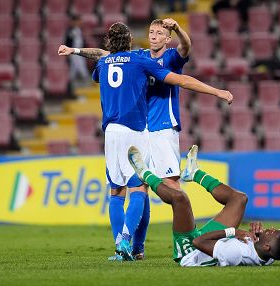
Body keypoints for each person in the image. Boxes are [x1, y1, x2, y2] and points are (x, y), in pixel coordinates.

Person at [67, 22, 233, 261]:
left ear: (167, 39)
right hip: (139, 129)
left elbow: (184, 48)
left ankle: (177, 240)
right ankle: (136, 246)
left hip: (152, 129)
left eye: (159, 34)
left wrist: (74, 51)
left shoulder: (167, 57)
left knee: (138, 190)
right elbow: (181, 81)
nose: (154, 37)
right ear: (134, 40)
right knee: (141, 189)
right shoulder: (140, 58)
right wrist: (217, 92)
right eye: (151, 33)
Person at [127, 144, 280, 266]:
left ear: (267, 246)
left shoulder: (235, 254)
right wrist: (256, 235)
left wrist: (234, 232)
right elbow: (272, 252)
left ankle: (144, 173)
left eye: (270, 232)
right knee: (240, 199)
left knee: (180, 199)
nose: (269, 228)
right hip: (216, 240)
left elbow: (198, 241)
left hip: (192, 250)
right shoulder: (268, 254)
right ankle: (194, 173)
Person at [64, 14, 90, 82]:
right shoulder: (70, 31)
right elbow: (67, 42)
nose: (79, 22)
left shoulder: (80, 30)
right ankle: (85, 79)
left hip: (80, 51)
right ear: (73, 21)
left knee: (75, 68)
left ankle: (71, 81)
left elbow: (82, 41)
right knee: (79, 66)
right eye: (78, 21)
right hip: (73, 51)